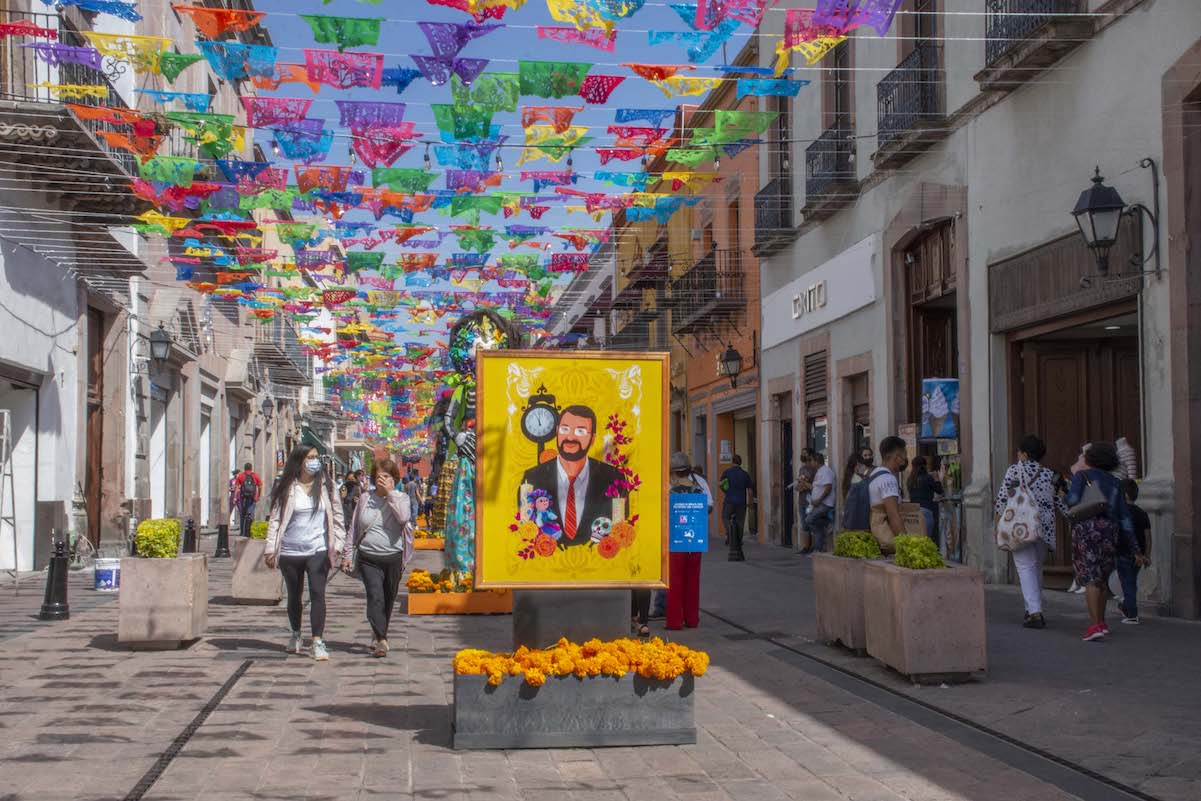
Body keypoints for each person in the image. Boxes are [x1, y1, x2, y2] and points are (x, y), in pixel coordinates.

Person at [263, 446, 346, 661]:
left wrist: (338, 543)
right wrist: (270, 548)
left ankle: (317, 641)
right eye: (310, 457)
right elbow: (275, 519)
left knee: (318, 593)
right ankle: (296, 633)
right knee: (294, 596)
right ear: (299, 461)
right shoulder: (287, 487)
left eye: (316, 457)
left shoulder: (327, 486)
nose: (314, 461)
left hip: (318, 549)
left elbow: (337, 515)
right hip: (291, 551)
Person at [1063, 442, 1138, 642]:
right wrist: (1135, 547)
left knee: (1090, 577)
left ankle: (1094, 625)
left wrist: (1064, 493)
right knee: (1102, 578)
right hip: (1110, 531)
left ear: (1091, 458)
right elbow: (1124, 517)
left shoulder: (1082, 476)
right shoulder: (1115, 482)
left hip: (1087, 529)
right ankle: (1102, 622)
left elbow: (1072, 500)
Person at [520, 405, 624, 548]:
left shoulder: (614, 478)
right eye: (565, 429)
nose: (570, 437)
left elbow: (619, 527)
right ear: (557, 432)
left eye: (580, 431)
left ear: (592, 439)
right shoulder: (532, 477)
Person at [993, 435, 1067, 629]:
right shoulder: (1049, 474)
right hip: (1044, 526)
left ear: (1025, 454)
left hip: (1021, 525)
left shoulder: (1014, 471)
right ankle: (1032, 608)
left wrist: (998, 524)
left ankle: (1035, 613)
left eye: (1019, 451)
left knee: (1025, 567)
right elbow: (1060, 502)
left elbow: (1002, 498)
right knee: (1035, 567)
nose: (1017, 454)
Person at [343, 458, 412, 658]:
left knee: (388, 599)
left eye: (387, 477)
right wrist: (347, 554)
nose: (382, 480)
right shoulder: (365, 498)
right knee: (375, 595)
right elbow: (354, 527)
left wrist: (391, 494)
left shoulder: (402, 498)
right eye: (379, 477)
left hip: (393, 556)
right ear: (372, 478)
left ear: (394, 479)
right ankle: (382, 640)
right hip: (368, 556)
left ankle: (378, 633)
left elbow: (403, 518)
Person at [666, 451, 706, 630]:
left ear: (673, 472)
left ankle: (675, 621)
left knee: (675, 582)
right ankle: (692, 619)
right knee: (693, 582)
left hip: (675, 542)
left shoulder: (670, 492)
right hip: (695, 541)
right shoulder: (698, 489)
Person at [1115, 479, 1151, 625]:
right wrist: (1147, 556)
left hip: (1123, 552)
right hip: (1140, 555)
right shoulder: (1142, 513)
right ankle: (1125, 605)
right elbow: (1148, 537)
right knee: (1130, 581)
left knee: (1128, 583)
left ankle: (1132, 614)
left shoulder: (1119, 513)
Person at [868, 437, 908, 540]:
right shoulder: (888, 479)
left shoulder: (874, 473)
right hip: (886, 538)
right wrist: (906, 543)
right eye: (904, 457)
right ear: (897, 457)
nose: (904, 462)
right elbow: (893, 514)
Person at [799, 451, 836, 555]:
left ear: (816, 461)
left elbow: (828, 488)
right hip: (818, 504)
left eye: (811, 461)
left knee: (809, 520)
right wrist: (804, 483)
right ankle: (818, 549)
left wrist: (819, 500)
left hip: (825, 504)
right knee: (816, 527)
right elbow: (815, 487)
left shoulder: (826, 471)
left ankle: (826, 523)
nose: (810, 464)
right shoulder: (819, 472)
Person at [720, 455, 755, 561]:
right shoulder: (745, 474)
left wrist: (726, 491)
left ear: (732, 462)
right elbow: (749, 490)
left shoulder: (727, 472)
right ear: (740, 462)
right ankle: (738, 540)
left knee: (725, 516)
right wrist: (750, 502)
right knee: (740, 521)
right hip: (741, 501)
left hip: (730, 500)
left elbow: (721, 484)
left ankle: (730, 534)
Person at [906, 456, 944, 546]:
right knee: (926, 540)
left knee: (916, 541)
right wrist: (937, 479)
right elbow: (939, 490)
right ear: (925, 465)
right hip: (926, 510)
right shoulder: (927, 477)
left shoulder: (910, 480)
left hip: (914, 513)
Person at [235, 462, 262, 538]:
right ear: (251, 468)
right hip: (253, 498)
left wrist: (235, 497)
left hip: (243, 498)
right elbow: (260, 486)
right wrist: (258, 495)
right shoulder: (255, 476)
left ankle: (242, 532)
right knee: (251, 514)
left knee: (242, 515)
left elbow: (237, 487)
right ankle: (250, 531)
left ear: (244, 468)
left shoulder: (241, 476)